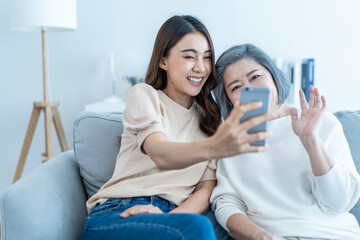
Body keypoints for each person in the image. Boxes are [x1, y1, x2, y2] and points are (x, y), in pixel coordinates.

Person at [81, 16, 272, 240]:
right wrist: (215, 146)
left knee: (206, 228)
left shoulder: (210, 120)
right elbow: (160, 152)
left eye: (207, 57)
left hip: (171, 218)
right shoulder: (144, 95)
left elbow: (205, 189)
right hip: (120, 213)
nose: (201, 68)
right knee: (198, 229)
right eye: (189, 56)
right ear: (163, 61)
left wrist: (167, 217)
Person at [210, 43, 360, 240]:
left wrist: (310, 141)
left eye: (255, 76)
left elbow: (339, 202)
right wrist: (262, 236)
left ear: (273, 77)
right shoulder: (229, 143)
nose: (249, 88)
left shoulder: (322, 123)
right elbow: (226, 202)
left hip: (334, 235)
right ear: (229, 100)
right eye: (236, 87)